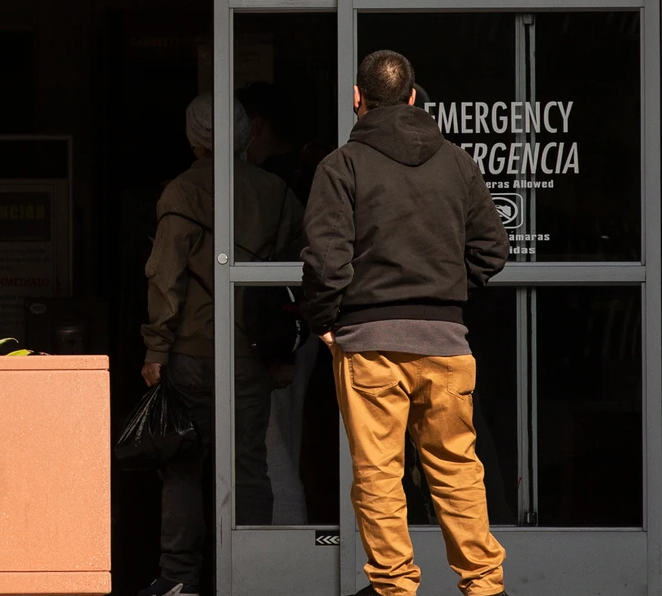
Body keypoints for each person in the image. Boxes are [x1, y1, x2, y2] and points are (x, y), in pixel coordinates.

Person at [300, 51, 511, 596]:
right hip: (445, 343)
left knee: (378, 473)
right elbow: (492, 250)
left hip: (370, 345)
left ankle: (394, 586)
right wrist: (444, 290)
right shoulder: (457, 163)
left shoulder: (341, 165)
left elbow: (326, 261)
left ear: (358, 98)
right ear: (415, 96)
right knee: (456, 467)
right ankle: (485, 585)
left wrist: (325, 320)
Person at [138, 93, 301, 596]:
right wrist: (282, 353)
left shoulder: (182, 192)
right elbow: (293, 278)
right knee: (248, 463)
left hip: (189, 352)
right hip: (250, 353)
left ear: (193, 138)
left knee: (182, 465)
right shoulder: (276, 192)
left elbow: (165, 275)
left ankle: (180, 577)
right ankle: (253, 575)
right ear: (246, 135)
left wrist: (156, 348)